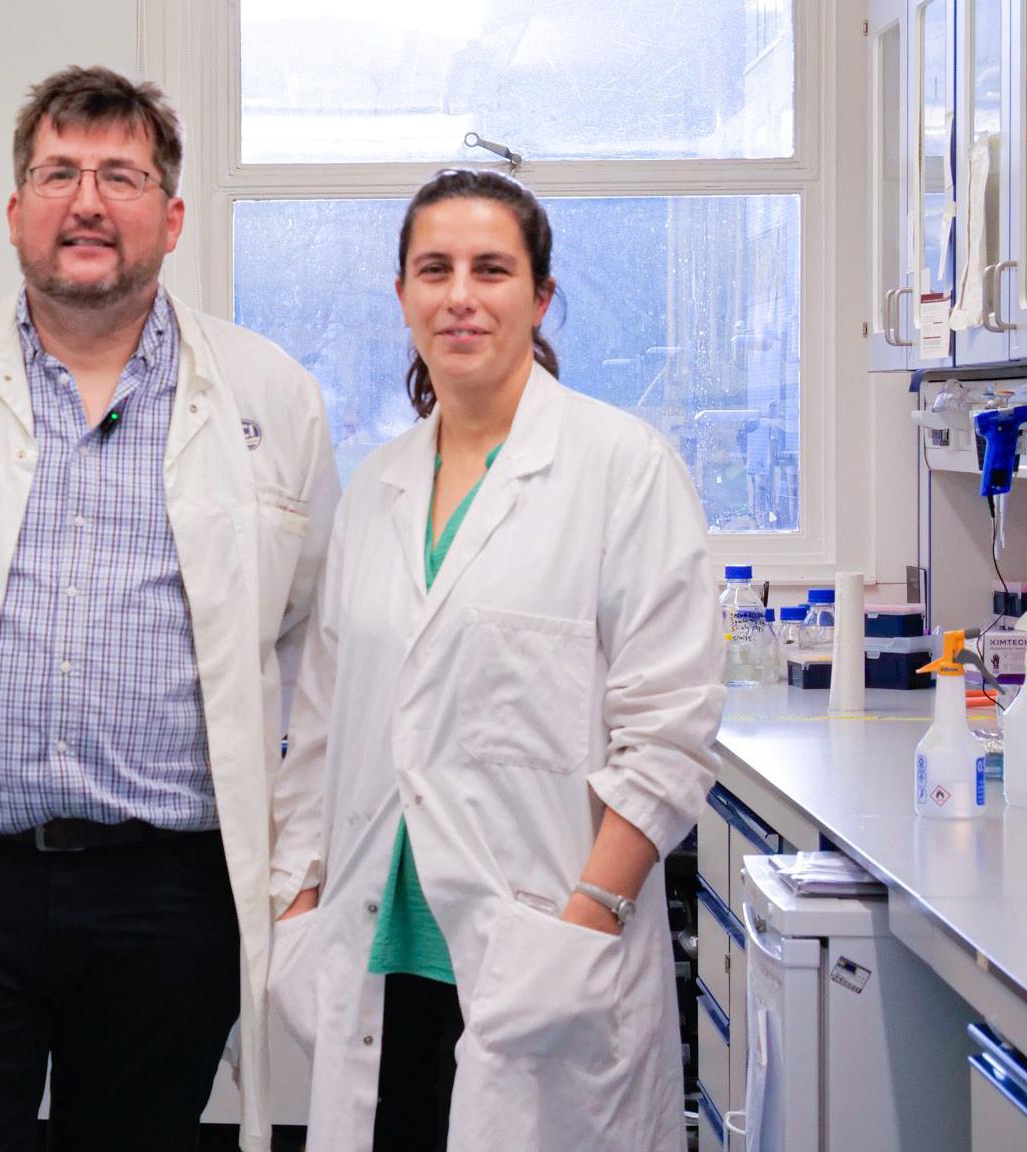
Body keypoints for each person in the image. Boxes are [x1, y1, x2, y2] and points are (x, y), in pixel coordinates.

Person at [0, 66, 339, 1151]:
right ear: (15, 209)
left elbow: (303, 626)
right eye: (57, 172)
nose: (87, 201)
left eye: (121, 174)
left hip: (170, 889)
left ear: (170, 215)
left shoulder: (268, 394)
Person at [268, 167, 724, 1151]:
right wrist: (296, 903)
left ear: (539, 295)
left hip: (541, 952)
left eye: (490, 269)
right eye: (432, 270)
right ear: (401, 296)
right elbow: (318, 725)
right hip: (375, 962)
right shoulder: (378, 485)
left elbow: (669, 734)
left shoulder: (620, 468)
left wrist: (587, 919)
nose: (459, 296)